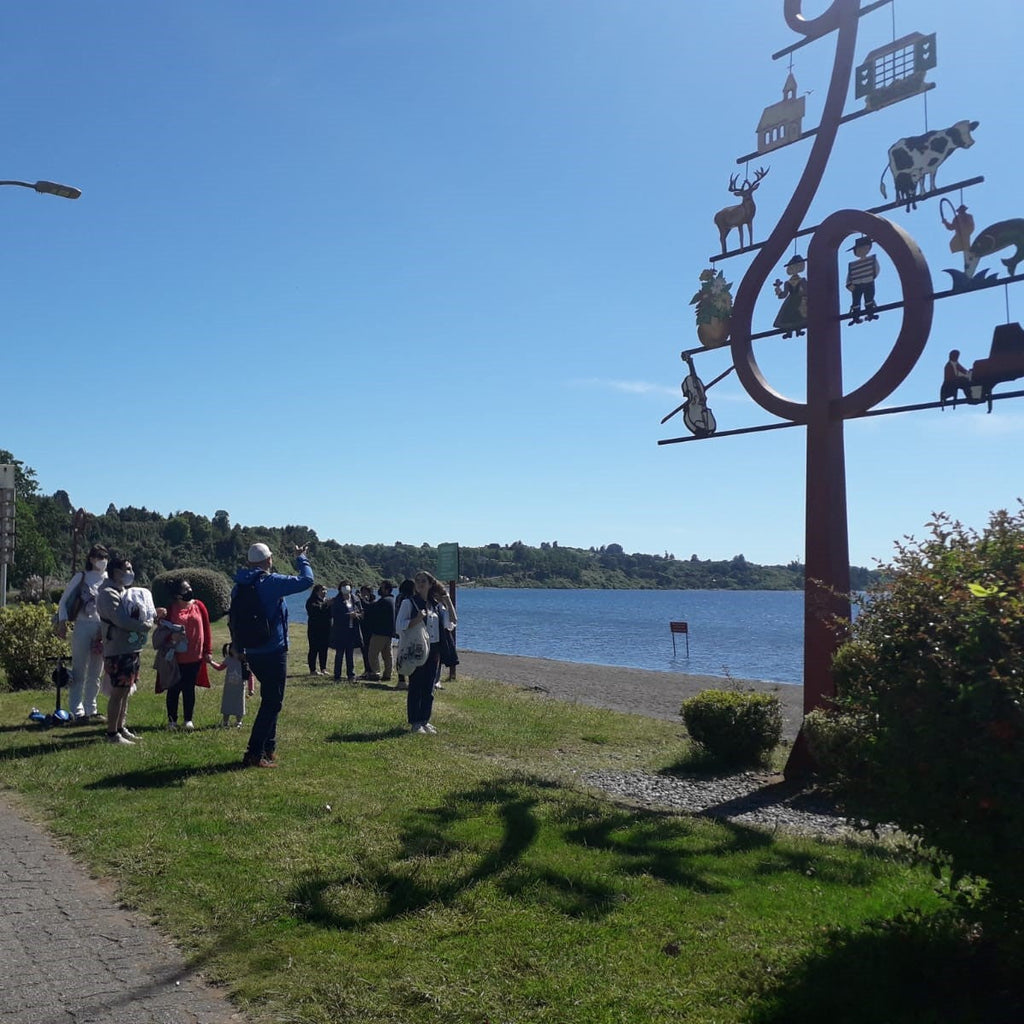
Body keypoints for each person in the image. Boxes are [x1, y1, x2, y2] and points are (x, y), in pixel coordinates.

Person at [233, 542, 314, 768]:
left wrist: (239, 648)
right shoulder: (271, 582)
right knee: (272, 702)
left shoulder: (239, 585)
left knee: (271, 699)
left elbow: (235, 620)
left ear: (249, 562)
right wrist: (302, 558)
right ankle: (255, 752)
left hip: (253, 650)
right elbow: (307, 580)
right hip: (274, 650)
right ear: (269, 560)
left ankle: (269, 748)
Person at [95, 554, 158, 745]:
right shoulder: (108, 593)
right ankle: (112, 734)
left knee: (125, 691)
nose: (131, 572)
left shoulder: (122, 591)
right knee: (118, 691)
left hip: (130, 648)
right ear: (116, 572)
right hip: (118, 649)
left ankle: (121, 727)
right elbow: (121, 620)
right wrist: (146, 624)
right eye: (127, 569)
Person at [55, 543, 109, 723]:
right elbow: (63, 602)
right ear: (92, 559)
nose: (103, 561)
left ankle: (91, 708)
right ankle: (76, 710)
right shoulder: (82, 576)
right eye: (100, 557)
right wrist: (62, 622)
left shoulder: (109, 579)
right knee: (80, 669)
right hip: (83, 625)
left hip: (102, 628)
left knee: (96, 671)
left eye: (105, 557)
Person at [395, 570, 452, 734]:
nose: (420, 583)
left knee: (429, 686)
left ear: (430, 584)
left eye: (423, 581)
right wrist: (416, 620)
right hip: (418, 648)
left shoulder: (435, 604)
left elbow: (450, 622)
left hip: (434, 648)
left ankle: (425, 720)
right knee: (416, 685)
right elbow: (399, 626)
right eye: (417, 580)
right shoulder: (409, 603)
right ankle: (415, 722)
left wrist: (447, 600)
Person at [153, 579, 212, 731]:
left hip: (195, 657)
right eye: (186, 589)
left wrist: (208, 651)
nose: (190, 590)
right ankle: (172, 721)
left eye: (189, 587)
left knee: (189, 689)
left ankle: (188, 720)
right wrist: (171, 638)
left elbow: (206, 629)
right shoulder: (170, 610)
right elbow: (161, 632)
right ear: (177, 595)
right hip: (174, 657)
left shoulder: (199, 606)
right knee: (173, 689)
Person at [210, 642, 250, 728]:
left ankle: (238, 721)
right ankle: (225, 721)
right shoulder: (228, 659)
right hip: (228, 689)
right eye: (234, 648)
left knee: (239, 705)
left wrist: (251, 689)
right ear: (230, 650)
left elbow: (250, 676)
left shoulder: (245, 662)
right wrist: (211, 662)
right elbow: (220, 667)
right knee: (227, 704)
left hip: (240, 689)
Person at [329, 580, 362, 682]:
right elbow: (335, 615)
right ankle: (337, 675)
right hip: (340, 631)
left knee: (350, 654)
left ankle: (351, 675)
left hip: (352, 630)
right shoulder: (337, 600)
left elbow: (361, 611)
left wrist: (358, 615)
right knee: (339, 653)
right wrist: (348, 616)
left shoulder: (355, 599)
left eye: (347, 585)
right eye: (343, 586)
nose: (346, 587)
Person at [365, 580, 396, 683]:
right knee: (387, 655)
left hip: (379, 633)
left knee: (372, 654)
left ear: (386, 590)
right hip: (388, 633)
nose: (379, 590)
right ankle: (387, 674)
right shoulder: (391, 600)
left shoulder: (384, 601)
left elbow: (370, 608)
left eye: (381, 588)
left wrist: (363, 600)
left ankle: (375, 673)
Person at [429, 579, 458, 689]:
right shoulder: (430, 606)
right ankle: (434, 681)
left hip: (440, 638)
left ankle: (436, 681)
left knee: (438, 661)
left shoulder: (441, 607)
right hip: (430, 639)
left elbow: (453, 620)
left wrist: (448, 601)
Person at [845, 236, 880, 323]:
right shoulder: (853, 265)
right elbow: (849, 275)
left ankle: (870, 314)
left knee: (869, 299)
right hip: (856, 284)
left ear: (868, 248)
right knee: (856, 301)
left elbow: (876, 269)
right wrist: (849, 284)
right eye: (859, 250)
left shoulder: (872, 260)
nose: (861, 251)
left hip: (868, 281)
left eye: (864, 248)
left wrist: (872, 277)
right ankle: (856, 317)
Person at [773, 254, 807, 338]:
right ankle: (790, 332)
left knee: (795, 316)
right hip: (794, 301)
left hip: (793, 301)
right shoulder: (788, 282)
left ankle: (797, 331)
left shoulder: (800, 280)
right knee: (792, 317)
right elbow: (783, 295)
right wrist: (778, 289)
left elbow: (783, 295)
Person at [304, 584, 332, 675]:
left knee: (324, 649)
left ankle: (323, 668)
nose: (325, 592)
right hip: (314, 630)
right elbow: (315, 611)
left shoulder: (327, 601)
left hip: (326, 629)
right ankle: (313, 670)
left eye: (326, 590)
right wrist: (325, 605)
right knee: (314, 649)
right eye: (322, 590)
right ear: (316, 591)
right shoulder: (311, 601)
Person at [394, 579, 415, 690]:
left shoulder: (399, 597)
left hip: (400, 629)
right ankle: (409, 678)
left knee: (401, 654)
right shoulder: (409, 599)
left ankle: (401, 680)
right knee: (410, 654)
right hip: (409, 628)